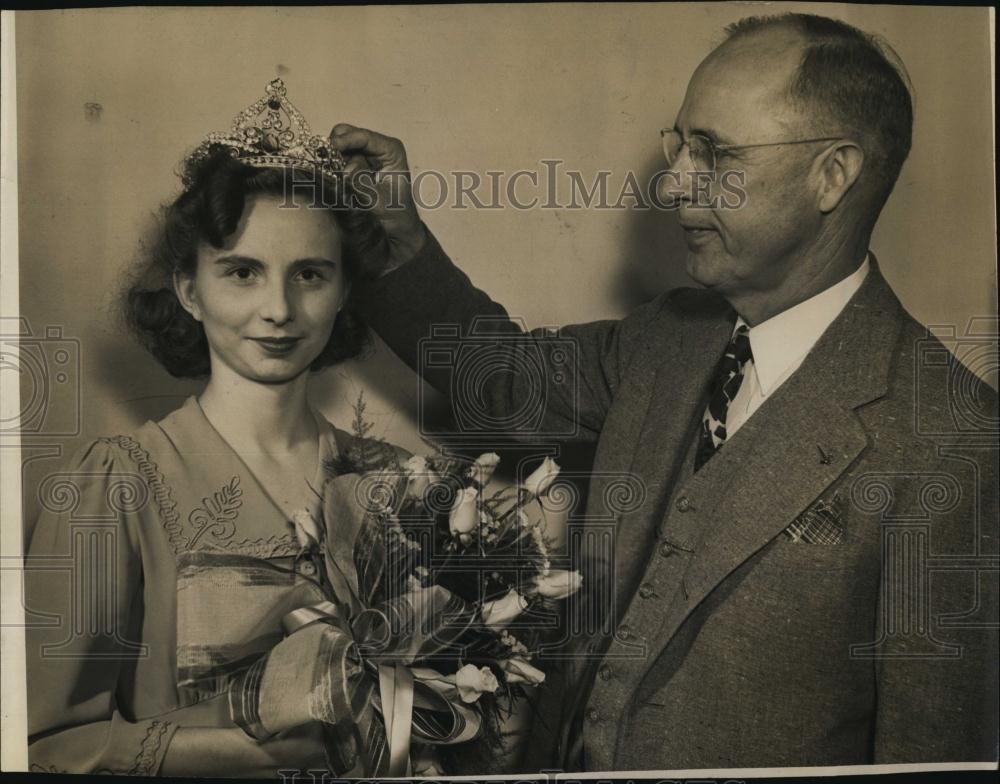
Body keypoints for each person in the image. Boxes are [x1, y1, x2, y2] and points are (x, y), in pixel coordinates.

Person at [328, 13, 999, 770]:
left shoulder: (954, 440)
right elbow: (504, 379)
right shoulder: (669, 333)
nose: (675, 180)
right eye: (679, 145)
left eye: (714, 153)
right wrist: (398, 241)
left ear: (832, 175)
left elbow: (937, 754)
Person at [23, 80, 409, 777]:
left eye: (311, 275)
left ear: (346, 290)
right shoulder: (116, 484)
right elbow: (43, 748)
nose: (279, 309)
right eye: (242, 272)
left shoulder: (390, 482)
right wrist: (239, 753)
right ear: (189, 290)